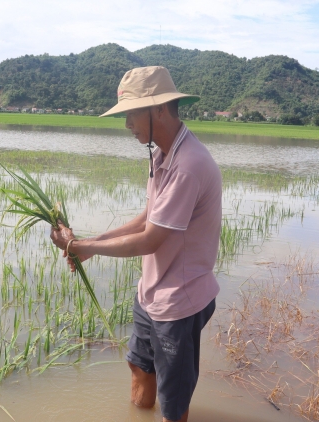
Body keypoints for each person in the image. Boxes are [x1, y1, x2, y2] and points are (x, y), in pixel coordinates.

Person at [50, 66, 221, 422]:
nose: (127, 123)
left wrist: (85, 249)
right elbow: (148, 218)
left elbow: (151, 239)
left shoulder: (188, 164)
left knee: (173, 402)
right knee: (140, 368)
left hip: (179, 301)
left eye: (131, 114)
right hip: (151, 293)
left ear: (158, 109)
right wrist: (85, 241)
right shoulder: (162, 155)